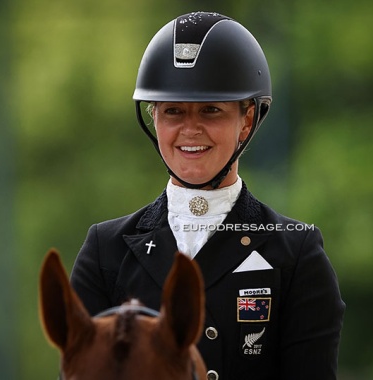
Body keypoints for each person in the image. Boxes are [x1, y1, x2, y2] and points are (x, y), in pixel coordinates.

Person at [70, 11, 345, 380]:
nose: (190, 129)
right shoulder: (106, 251)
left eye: (211, 110)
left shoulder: (296, 254)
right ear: (154, 118)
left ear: (246, 120)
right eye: (173, 111)